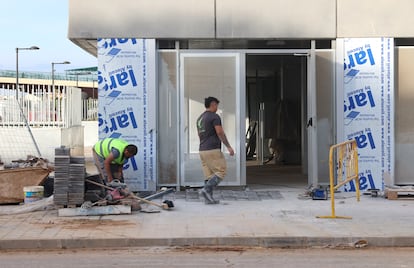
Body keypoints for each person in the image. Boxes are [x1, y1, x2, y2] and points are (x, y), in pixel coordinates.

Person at [196, 96, 235, 204]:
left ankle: (209, 199)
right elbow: (220, 132)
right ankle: (206, 190)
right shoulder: (214, 117)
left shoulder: (200, 118)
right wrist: (228, 146)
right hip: (212, 149)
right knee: (221, 171)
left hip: (202, 149)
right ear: (213, 104)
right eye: (216, 105)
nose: (217, 108)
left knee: (209, 175)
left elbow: (199, 135)